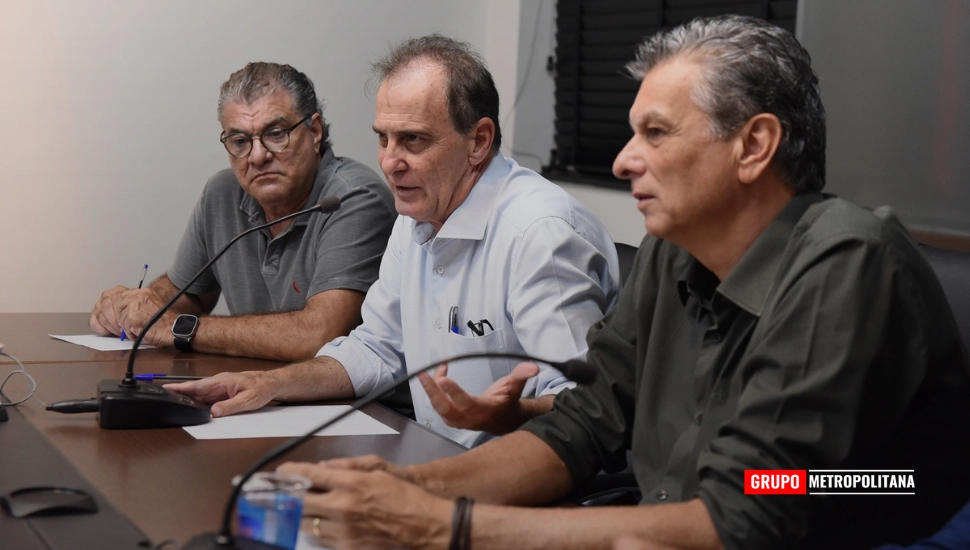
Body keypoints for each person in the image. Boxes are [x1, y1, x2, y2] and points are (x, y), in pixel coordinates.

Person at [271, 15, 970, 550]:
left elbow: (752, 506)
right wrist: (404, 486)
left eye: (656, 133)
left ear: (754, 146)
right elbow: (584, 423)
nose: (623, 161)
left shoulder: (848, 259)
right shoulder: (672, 250)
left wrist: (440, 525)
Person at [167, 36, 621, 446]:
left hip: (530, 480)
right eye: (383, 139)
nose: (389, 162)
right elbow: (376, 348)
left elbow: (582, 406)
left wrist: (512, 415)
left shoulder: (540, 233)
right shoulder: (418, 213)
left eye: (413, 140)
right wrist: (272, 384)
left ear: (479, 141)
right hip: (439, 454)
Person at [89, 62, 396, 362]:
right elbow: (190, 295)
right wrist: (130, 308)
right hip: (248, 385)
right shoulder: (223, 193)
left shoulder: (354, 198)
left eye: (276, 134)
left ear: (314, 131)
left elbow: (318, 335)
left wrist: (176, 327)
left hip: (343, 394)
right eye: (240, 141)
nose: (257, 156)